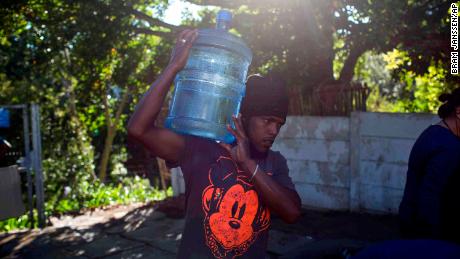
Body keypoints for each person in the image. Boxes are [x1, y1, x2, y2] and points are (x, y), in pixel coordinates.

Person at [128, 29, 301, 258]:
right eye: (268, 121)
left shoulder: (274, 163)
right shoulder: (201, 149)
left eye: (279, 124)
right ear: (244, 117)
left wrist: (247, 163)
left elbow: (291, 213)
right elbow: (138, 129)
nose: (274, 131)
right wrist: (173, 68)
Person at [399, 87, 460, 244]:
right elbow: (429, 196)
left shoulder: (432, 134)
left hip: (412, 226)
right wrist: (434, 242)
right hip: (430, 236)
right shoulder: (449, 147)